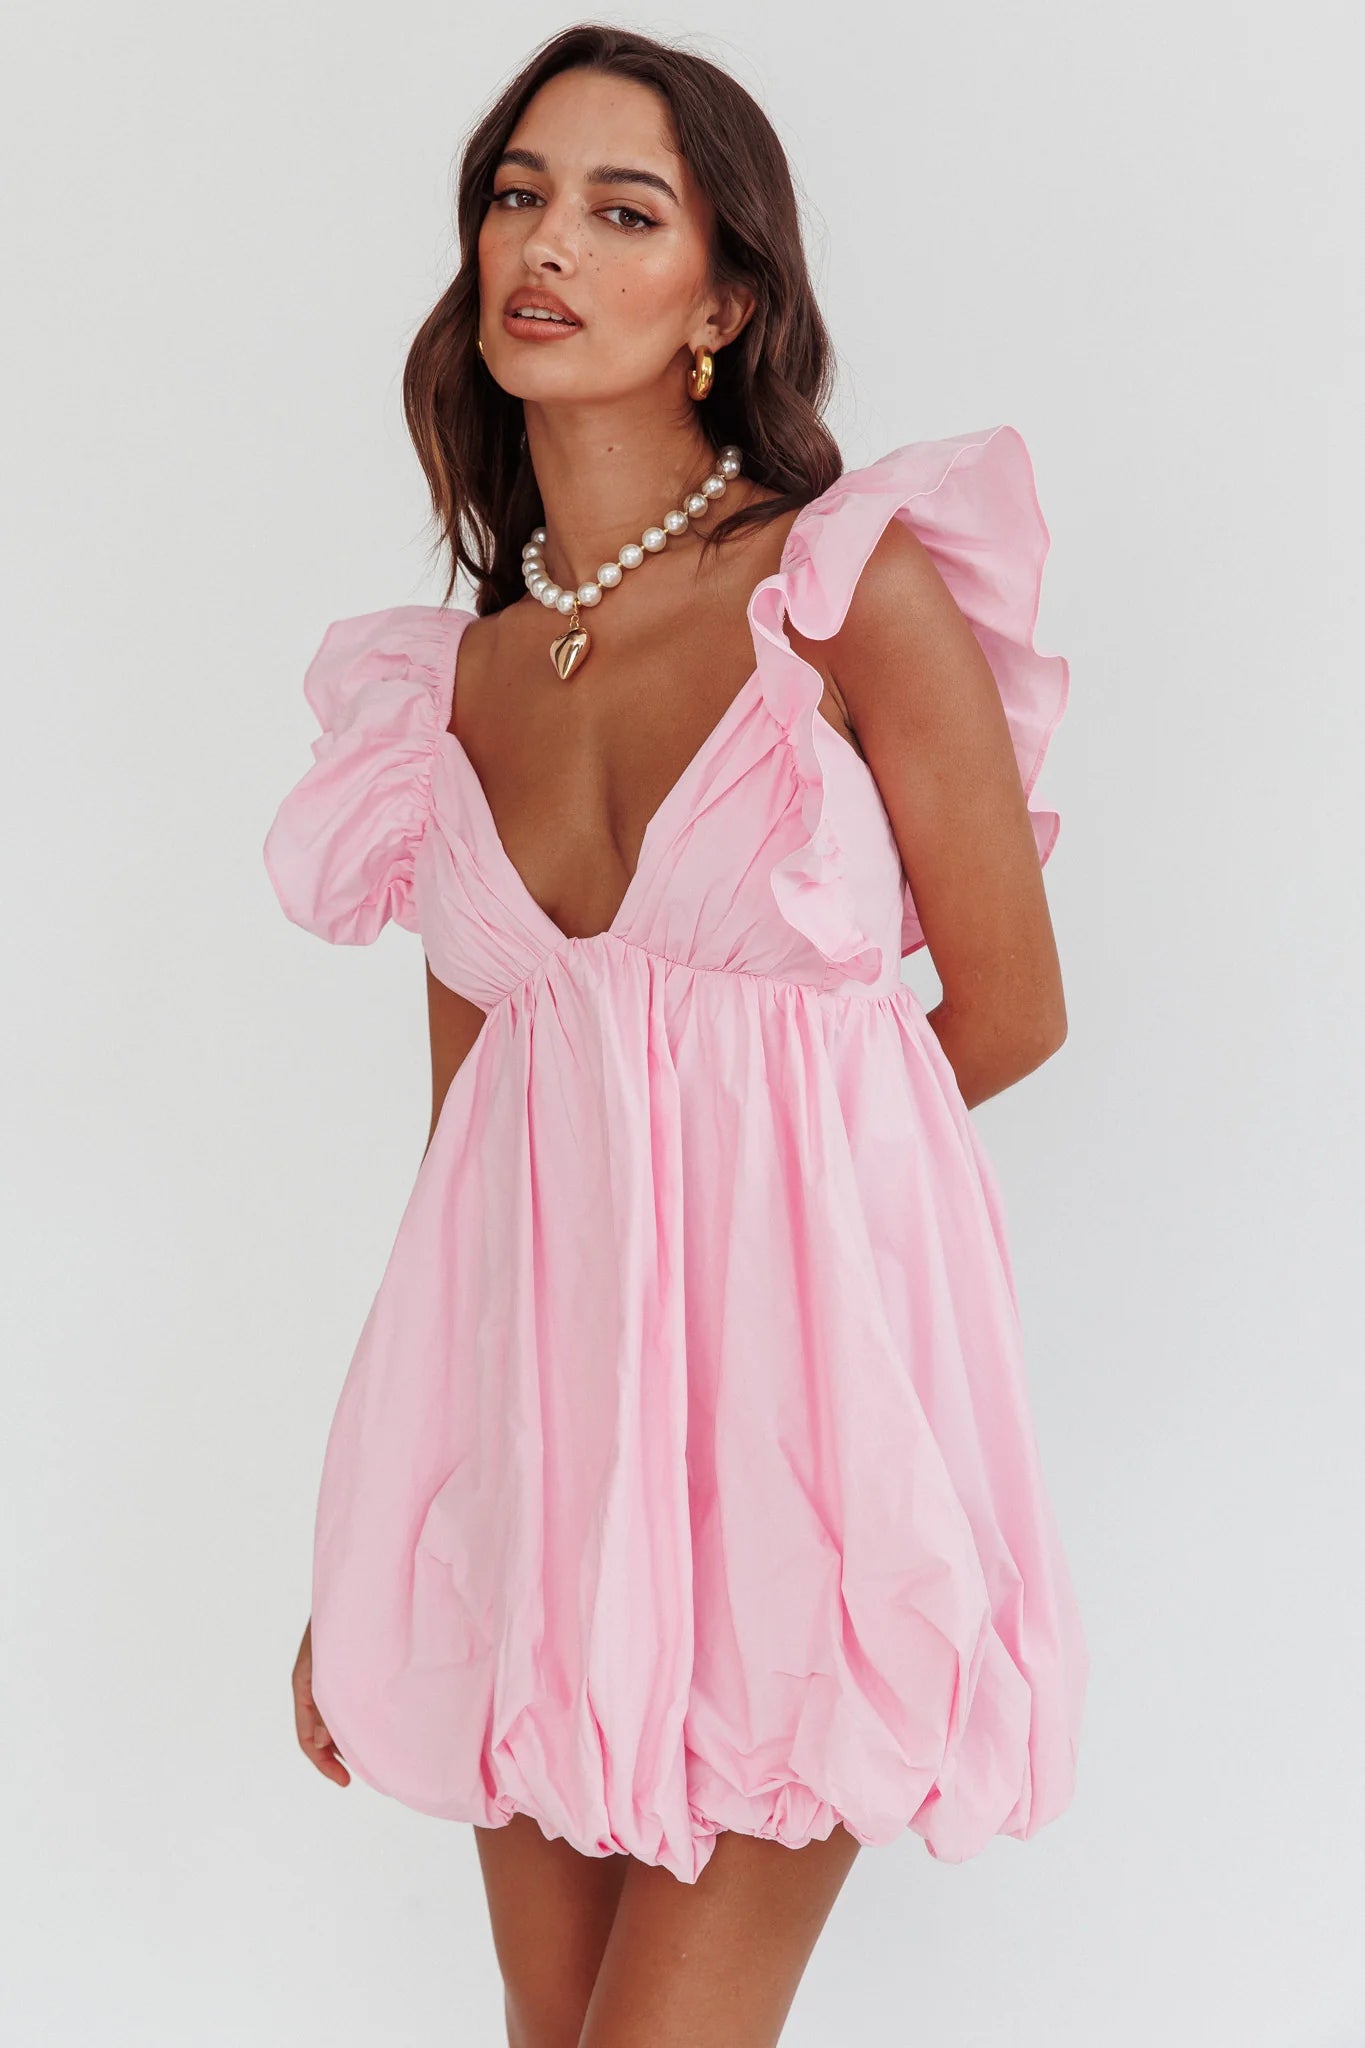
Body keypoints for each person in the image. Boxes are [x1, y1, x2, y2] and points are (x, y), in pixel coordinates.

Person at [262, 22, 1089, 2046]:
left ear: (723, 304)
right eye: (517, 194)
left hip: (804, 1450)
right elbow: (469, 1152)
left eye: (623, 210)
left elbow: (1008, 1008)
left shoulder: (842, 592)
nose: (546, 242)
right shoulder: (453, 688)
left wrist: (758, 1234)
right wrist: (384, 1537)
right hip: (546, 1466)